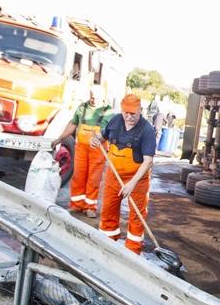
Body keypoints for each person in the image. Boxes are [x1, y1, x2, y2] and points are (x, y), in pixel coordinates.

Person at [91, 93, 156, 254]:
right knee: (108, 210)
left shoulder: (147, 130)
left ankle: (133, 252)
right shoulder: (115, 120)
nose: (128, 116)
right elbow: (103, 135)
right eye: (126, 112)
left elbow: (148, 161)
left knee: (137, 216)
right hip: (114, 175)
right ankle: (106, 246)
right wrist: (96, 140)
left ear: (140, 110)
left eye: (133, 113)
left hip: (137, 179)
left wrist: (131, 184)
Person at [51, 85, 113, 218]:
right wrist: (59, 138)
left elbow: (109, 132)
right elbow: (73, 124)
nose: (93, 99)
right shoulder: (82, 108)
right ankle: (76, 204)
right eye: (91, 96)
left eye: (96, 97)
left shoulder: (108, 112)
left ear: (103, 96)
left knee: (93, 178)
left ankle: (90, 207)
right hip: (81, 149)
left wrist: (99, 139)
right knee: (78, 176)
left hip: (98, 150)